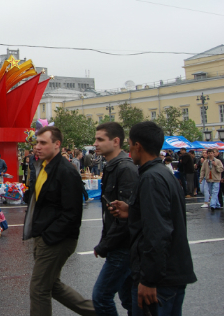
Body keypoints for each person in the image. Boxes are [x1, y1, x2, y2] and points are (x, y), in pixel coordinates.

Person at [109, 121, 196, 316]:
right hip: (173, 274)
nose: (129, 150)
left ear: (138, 146)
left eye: (130, 145)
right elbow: (166, 216)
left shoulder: (150, 178)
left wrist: (149, 280)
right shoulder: (164, 173)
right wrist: (133, 211)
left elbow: (157, 232)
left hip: (160, 280)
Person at [22, 126, 95, 316]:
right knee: (51, 285)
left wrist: (48, 237)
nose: (37, 146)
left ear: (57, 144)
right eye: (37, 142)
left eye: (43, 143)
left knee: (39, 288)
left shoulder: (66, 171)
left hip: (56, 239)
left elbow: (72, 214)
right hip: (43, 235)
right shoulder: (43, 166)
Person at [91, 122, 137, 316]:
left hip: (123, 247)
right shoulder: (113, 166)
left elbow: (125, 217)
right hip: (120, 245)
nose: (95, 143)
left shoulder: (125, 169)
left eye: (100, 139)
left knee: (101, 297)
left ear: (116, 141)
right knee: (130, 300)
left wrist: (105, 245)